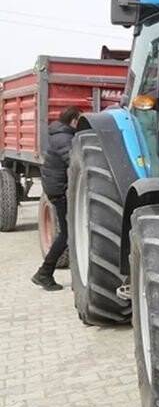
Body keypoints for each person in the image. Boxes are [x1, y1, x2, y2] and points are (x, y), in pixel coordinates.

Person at [31, 106, 81, 291]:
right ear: (74, 120)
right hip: (60, 191)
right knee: (66, 234)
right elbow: (74, 162)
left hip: (57, 189)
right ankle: (44, 273)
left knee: (68, 233)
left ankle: (45, 273)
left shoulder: (60, 134)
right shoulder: (64, 138)